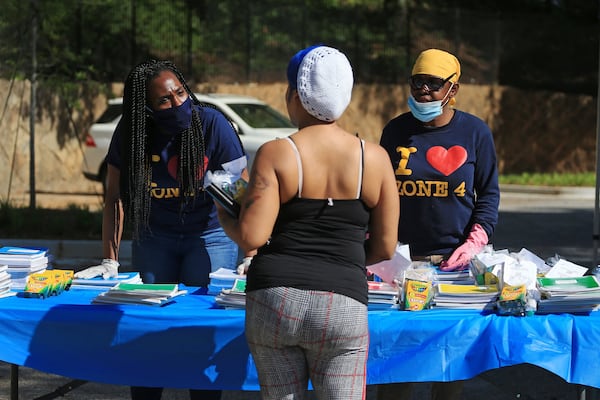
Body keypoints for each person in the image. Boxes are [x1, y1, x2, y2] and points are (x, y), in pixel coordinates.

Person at [215, 45, 399, 400]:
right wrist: (342, 259)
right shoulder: (374, 159)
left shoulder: (277, 152)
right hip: (343, 301)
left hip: (275, 299)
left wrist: (225, 212)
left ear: (295, 96)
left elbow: (253, 235)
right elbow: (385, 246)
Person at [74, 59, 249, 400]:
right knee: (147, 327)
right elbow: (115, 197)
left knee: (203, 330)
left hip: (209, 235)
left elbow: (240, 192)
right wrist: (110, 259)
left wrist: (251, 251)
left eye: (180, 93)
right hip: (156, 236)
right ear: (147, 109)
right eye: (165, 101)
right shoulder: (133, 131)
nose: (177, 104)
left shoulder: (212, 125)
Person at [376, 49, 500, 400]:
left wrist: (475, 241)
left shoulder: (475, 133)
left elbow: (488, 195)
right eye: (418, 82)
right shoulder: (396, 131)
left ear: (453, 89)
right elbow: (380, 193)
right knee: (397, 370)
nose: (424, 91)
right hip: (401, 266)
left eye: (433, 84)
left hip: (453, 269)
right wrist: (377, 244)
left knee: (449, 370)